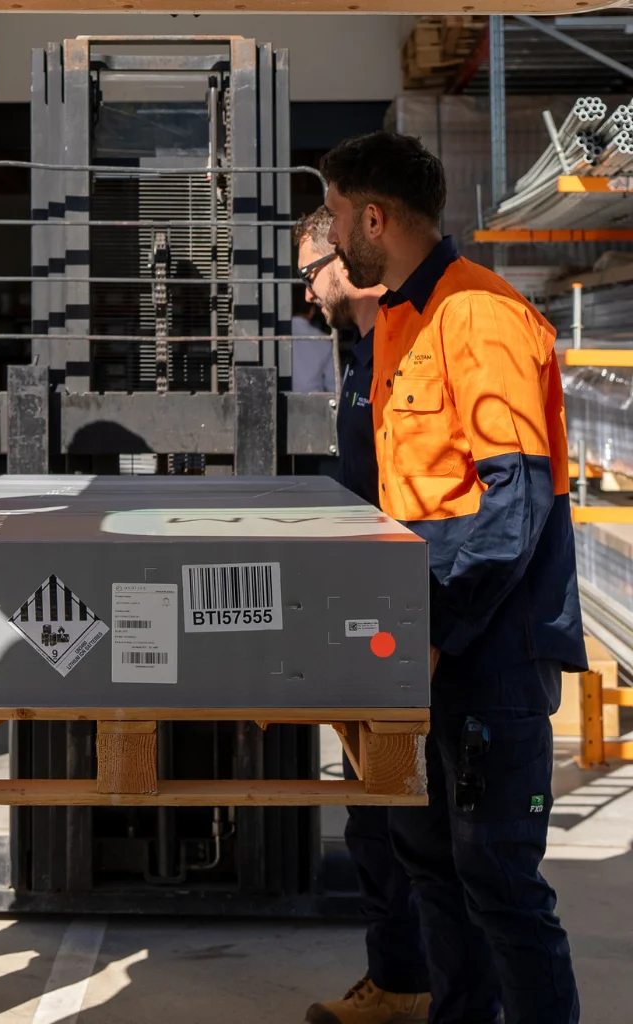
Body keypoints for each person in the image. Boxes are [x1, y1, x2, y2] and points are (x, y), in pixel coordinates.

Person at [319, 131, 586, 1024]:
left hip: (485, 653)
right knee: (430, 861)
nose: (328, 233)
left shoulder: (481, 316)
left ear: (373, 216)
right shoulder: (401, 318)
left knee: (500, 882)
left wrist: (434, 630)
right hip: (426, 645)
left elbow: (516, 505)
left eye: (332, 212)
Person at [294, 207, 431, 1024]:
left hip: (416, 617)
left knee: (419, 828)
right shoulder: (363, 351)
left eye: (313, 271)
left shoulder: (413, 341)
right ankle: (401, 981)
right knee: (374, 818)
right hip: (372, 614)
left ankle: (423, 983)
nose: (309, 293)